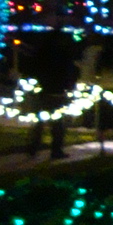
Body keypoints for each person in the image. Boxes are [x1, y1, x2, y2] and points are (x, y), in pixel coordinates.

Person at [24, 26, 80, 159]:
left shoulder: (41, 53)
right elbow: (69, 71)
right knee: (57, 123)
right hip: (57, 90)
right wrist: (69, 86)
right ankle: (56, 150)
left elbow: (32, 69)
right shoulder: (63, 54)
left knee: (39, 121)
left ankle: (33, 148)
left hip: (42, 90)